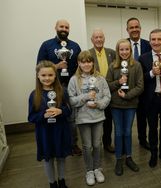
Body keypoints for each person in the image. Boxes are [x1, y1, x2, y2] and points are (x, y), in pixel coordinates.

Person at [37, 19, 82, 156]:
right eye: (61, 26)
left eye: (67, 27)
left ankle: (73, 144)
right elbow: (39, 67)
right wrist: (56, 66)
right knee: (54, 115)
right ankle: (58, 143)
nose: (64, 29)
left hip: (71, 86)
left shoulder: (75, 46)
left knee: (71, 117)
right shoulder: (46, 45)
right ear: (55, 27)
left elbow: (80, 66)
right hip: (51, 88)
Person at [68, 51, 111, 185]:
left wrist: (98, 104)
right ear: (79, 63)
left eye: (89, 61)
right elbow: (72, 100)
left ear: (93, 63)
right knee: (87, 146)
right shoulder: (74, 80)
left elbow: (107, 96)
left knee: (97, 145)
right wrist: (86, 96)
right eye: (83, 62)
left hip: (98, 117)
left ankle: (97, 168)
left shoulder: (100, 78)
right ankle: (89, 171)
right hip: (83, 119)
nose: (86, 64)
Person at [28, 61, 72, 188]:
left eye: (50, 75)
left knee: (61, 157)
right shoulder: (34, 95)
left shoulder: (62, 91)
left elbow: (69, 111)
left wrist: (61, 111)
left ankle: (62, 181)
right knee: (48, 158)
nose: (47, 78)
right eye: (43, 75)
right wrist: (43, 115)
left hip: (60, 130)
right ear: (38, 76)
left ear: (55, 75)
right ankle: (52, 183)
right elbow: (31, 117)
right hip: (44, 133)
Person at [106, 39, 144, 176]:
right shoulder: (112, 67)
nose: (124, 52)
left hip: (130, 105)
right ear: (118, 51)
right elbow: (107, 86)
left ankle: (128, 157)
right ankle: (118, 160)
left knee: (127, 132)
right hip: (115, 105)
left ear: (130, 50)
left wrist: (127, 96)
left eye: (127, 49)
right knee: (118, 132)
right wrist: (118, 82)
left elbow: (140, 86)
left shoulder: (137, 66)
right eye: (121, 49)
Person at [139, 29, 161, 168]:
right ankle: (153, 153)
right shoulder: (143, 58)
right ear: (150, 41)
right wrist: (152, 73)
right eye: (153, 39)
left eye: (159, 39)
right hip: (151, 99)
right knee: (152, 128)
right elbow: (140, 79)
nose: (156, 42)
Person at [89, 28, 116, 153]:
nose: (99, 39)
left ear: (104, 39)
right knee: (94, 121)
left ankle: (107, 143)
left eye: (101, 37)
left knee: (108, 120)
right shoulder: (88, 54)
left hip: (110, 92)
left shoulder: (112, 52)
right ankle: (95, 145)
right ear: (92, 40)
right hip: (95, 93)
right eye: (96, 37)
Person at [126, 17, 151, 150]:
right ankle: (125, 142)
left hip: (144, 87)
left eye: (137, 27)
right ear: (127, 30)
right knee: (127, 119)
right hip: (127, 87)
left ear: (140, 29)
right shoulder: (123, 45)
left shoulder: (148, 44)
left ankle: (143, 139)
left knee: (142, 116)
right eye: (132, 27)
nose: (134, 29)